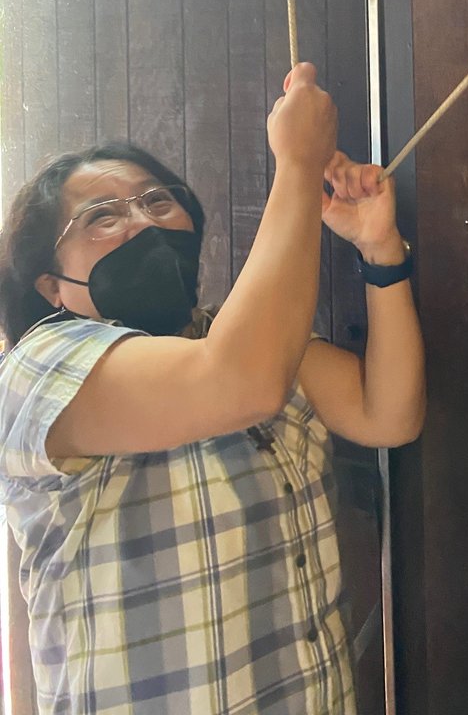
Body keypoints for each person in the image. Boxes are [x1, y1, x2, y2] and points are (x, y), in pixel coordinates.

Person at [0, 62, 425, 715]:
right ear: (51, 286)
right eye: (101, 217)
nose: (142, 222)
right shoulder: (43, 366)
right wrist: (297, 162)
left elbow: (386, 412)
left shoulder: (239, 337)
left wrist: (380, 249)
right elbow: (240, 385)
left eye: (157, 201)